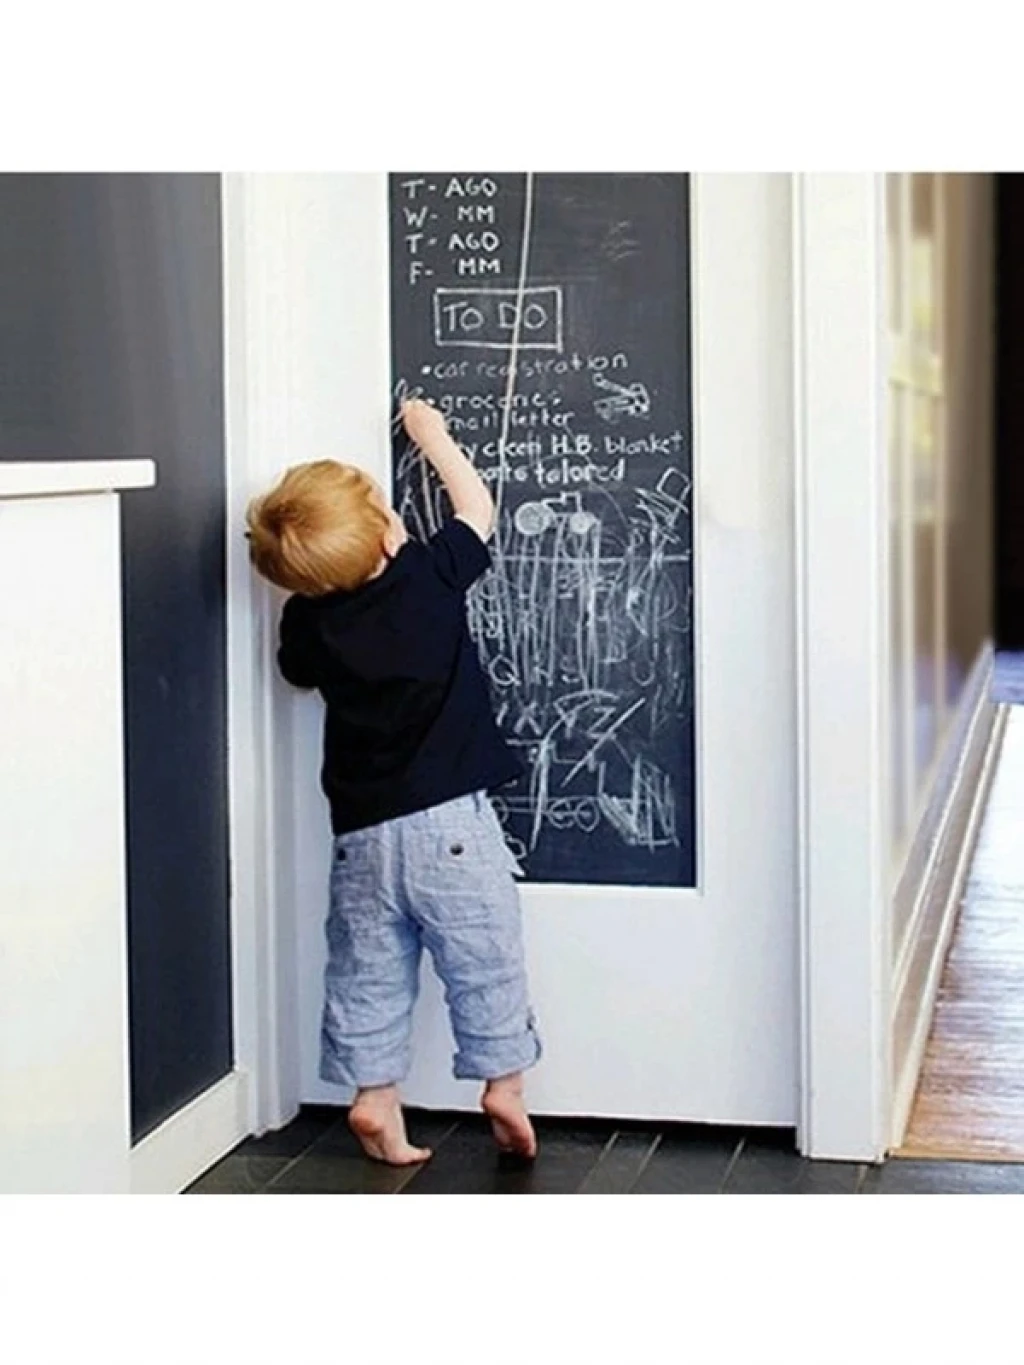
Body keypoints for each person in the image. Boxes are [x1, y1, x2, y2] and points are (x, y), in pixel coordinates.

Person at [245, 398, 541, 1165]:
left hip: (363, 836)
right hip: (451, 828)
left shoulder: (309, 621)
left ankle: (374, 1097)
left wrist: (317, 595)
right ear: (387, 532)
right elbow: (478, 510)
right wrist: (432, 437)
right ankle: (504, 1085)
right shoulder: (426, 576)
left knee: (367, 970)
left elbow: (296, 671)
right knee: (485, 956)